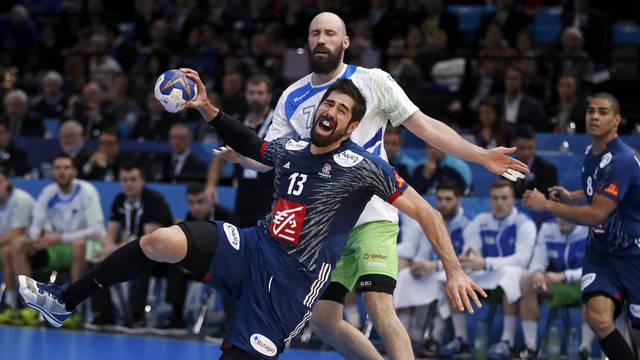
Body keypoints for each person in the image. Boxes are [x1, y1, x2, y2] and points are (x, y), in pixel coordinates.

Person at [19, 74, 485, 359]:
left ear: (350, 126)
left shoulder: (364, 168)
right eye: (328, 104)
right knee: (160, 241)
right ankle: (65, 300)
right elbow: (249, 142)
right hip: (251, 248)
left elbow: (426, 211)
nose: (332, 111)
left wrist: (453, 268)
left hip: (289, 289)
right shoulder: (291, 149)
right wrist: (205, 106)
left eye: (343, 110)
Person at [217, 13, 527, 360]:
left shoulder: (373, 81)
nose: (322, 39)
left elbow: (424, 126)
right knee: (323, 320)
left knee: (378, 305)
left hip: (371, 216)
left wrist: (480, 155)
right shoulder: (293, 95)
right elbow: (268, 157)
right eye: (315, 33)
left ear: (345, 42)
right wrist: (241, 156)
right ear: (307, 41)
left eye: (330, 34)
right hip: (323, 229)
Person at [523, 93, 640, 360]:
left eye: (603, 112)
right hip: (600, 253)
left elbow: (596, 214)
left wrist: (547, 206)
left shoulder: (621, 160)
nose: (594, 117)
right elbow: (598, 192)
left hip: (633, 253)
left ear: (617, 120)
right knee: (597, 317)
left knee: (637, 331)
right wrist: (571, 196)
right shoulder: (592, 152)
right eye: (591, 111)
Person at [445, 180, 536, 358]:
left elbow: (523, 259)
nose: (499, 203)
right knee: (451, 279)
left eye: (504, 198)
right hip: (485, 274)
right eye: (495, 198)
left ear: (513, 200)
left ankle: (507, 341)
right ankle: (460, 339)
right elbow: (472, 251)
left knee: (511, 276)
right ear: (489, 200)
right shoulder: (480, 221)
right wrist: (468, 258)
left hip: (509, 273)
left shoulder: (524, 223)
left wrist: (486, 263)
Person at [95, 163, 181, 329]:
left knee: (142, 261)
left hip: (163, 257)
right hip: (132, 250)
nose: (129, 184)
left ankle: (137, 316)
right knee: (100, 259)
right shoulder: (120, 199)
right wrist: (107, 251)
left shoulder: (154, 201)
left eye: (133, 179)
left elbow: (150, 240)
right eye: (124, 180)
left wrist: (116, 249)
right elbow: (111, 234)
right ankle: (104, 315)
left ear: (142, 180)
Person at [394, 182, 474, 349]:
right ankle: (403, 338)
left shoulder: (470, 223)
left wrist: (432, 265)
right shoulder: (431, 220)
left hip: (465, 273)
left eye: (448, 199)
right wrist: (418, 265)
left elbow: (469, 259)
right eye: (439, 199)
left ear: (458, 200)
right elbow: (423, 252)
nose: (443, 203)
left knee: (447, 282)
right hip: (435, 271)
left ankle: (445, 339)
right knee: (406, 276)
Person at [13, 153, 104, 284]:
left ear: (74, 171)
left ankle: (75, 301)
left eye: (66, 167)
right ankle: (24, 299)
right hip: (56, 247)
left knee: (78, 244)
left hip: (88, 247)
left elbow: (97, 230)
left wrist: (61, 237)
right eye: (57, 168)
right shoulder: (48, 192)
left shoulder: (87, 191)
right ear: (52, 171)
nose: (62, 172)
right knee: (19, 243)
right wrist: (38, 237)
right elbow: (35, 225)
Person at [517, 217, 594, 359]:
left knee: (592, 288)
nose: (562, 219)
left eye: (566, 214)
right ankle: (530, 347)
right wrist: (538, 273)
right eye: (559, 214)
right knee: (527, 282)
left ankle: (585, 349)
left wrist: (564, 276)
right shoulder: (547, 229)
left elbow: (593, 267)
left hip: (584, 282)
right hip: (558, 286)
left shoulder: (589, 230)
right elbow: (538, 260)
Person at [207, 75, 275, 228]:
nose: (255, 97)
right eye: (251, 93)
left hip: (270, 197)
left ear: (269, 96)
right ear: (245, 95)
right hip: (243, 197)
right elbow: (220, 155)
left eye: (260, 93)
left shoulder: (277, 123)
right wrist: (210, 185)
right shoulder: (238, 122)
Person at [0, 166, 34, 310]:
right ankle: (10, 304)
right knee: (7, 249)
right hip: (8, 246)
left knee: (9, 249)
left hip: (33, 245)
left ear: (7, 182)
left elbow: (16, 234)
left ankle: (25, 305)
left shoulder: (21, 199)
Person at [512, 126, 558, 199]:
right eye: (522, 147)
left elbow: (547, 197)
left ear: (535, 145)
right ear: (513, 144)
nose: (526, 152)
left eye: (530, 148)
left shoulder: (548, 169)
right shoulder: (507, 166)